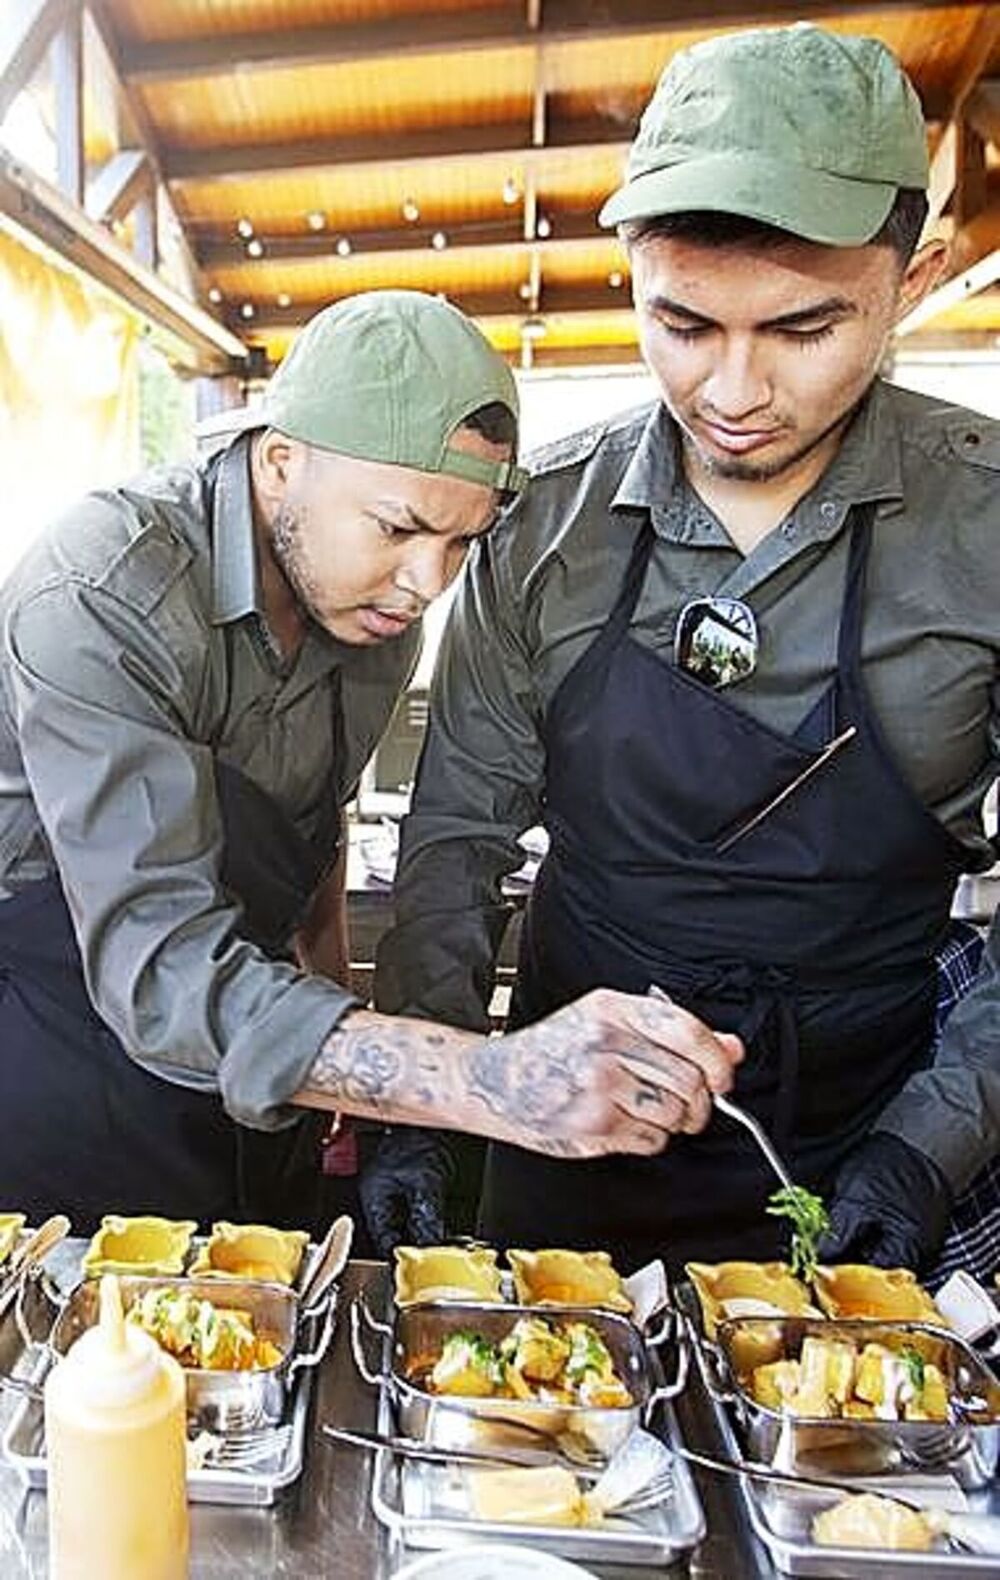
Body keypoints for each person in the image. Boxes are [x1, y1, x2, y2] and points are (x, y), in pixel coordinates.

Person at [371, 25, 1000, 1275]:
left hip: (863, 1132)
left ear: (912, 276)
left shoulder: (982, 530)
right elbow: (456, 846)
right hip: (563, 1127)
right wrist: (432, 1105)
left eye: (802, 330)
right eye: (683, 322)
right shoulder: (541, 523)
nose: (732, 387)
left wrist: (930, 1143)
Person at [0, 288, 740, 1234]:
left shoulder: (374, 616)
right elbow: (160, 968)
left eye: (462, 540)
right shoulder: (106, 591)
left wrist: (346, 1030)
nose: (428, 584)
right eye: (397, 528)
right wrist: (483, 1081)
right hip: (66, 1051)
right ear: (280, 462)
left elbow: (313, 829)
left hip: (254, 1060)